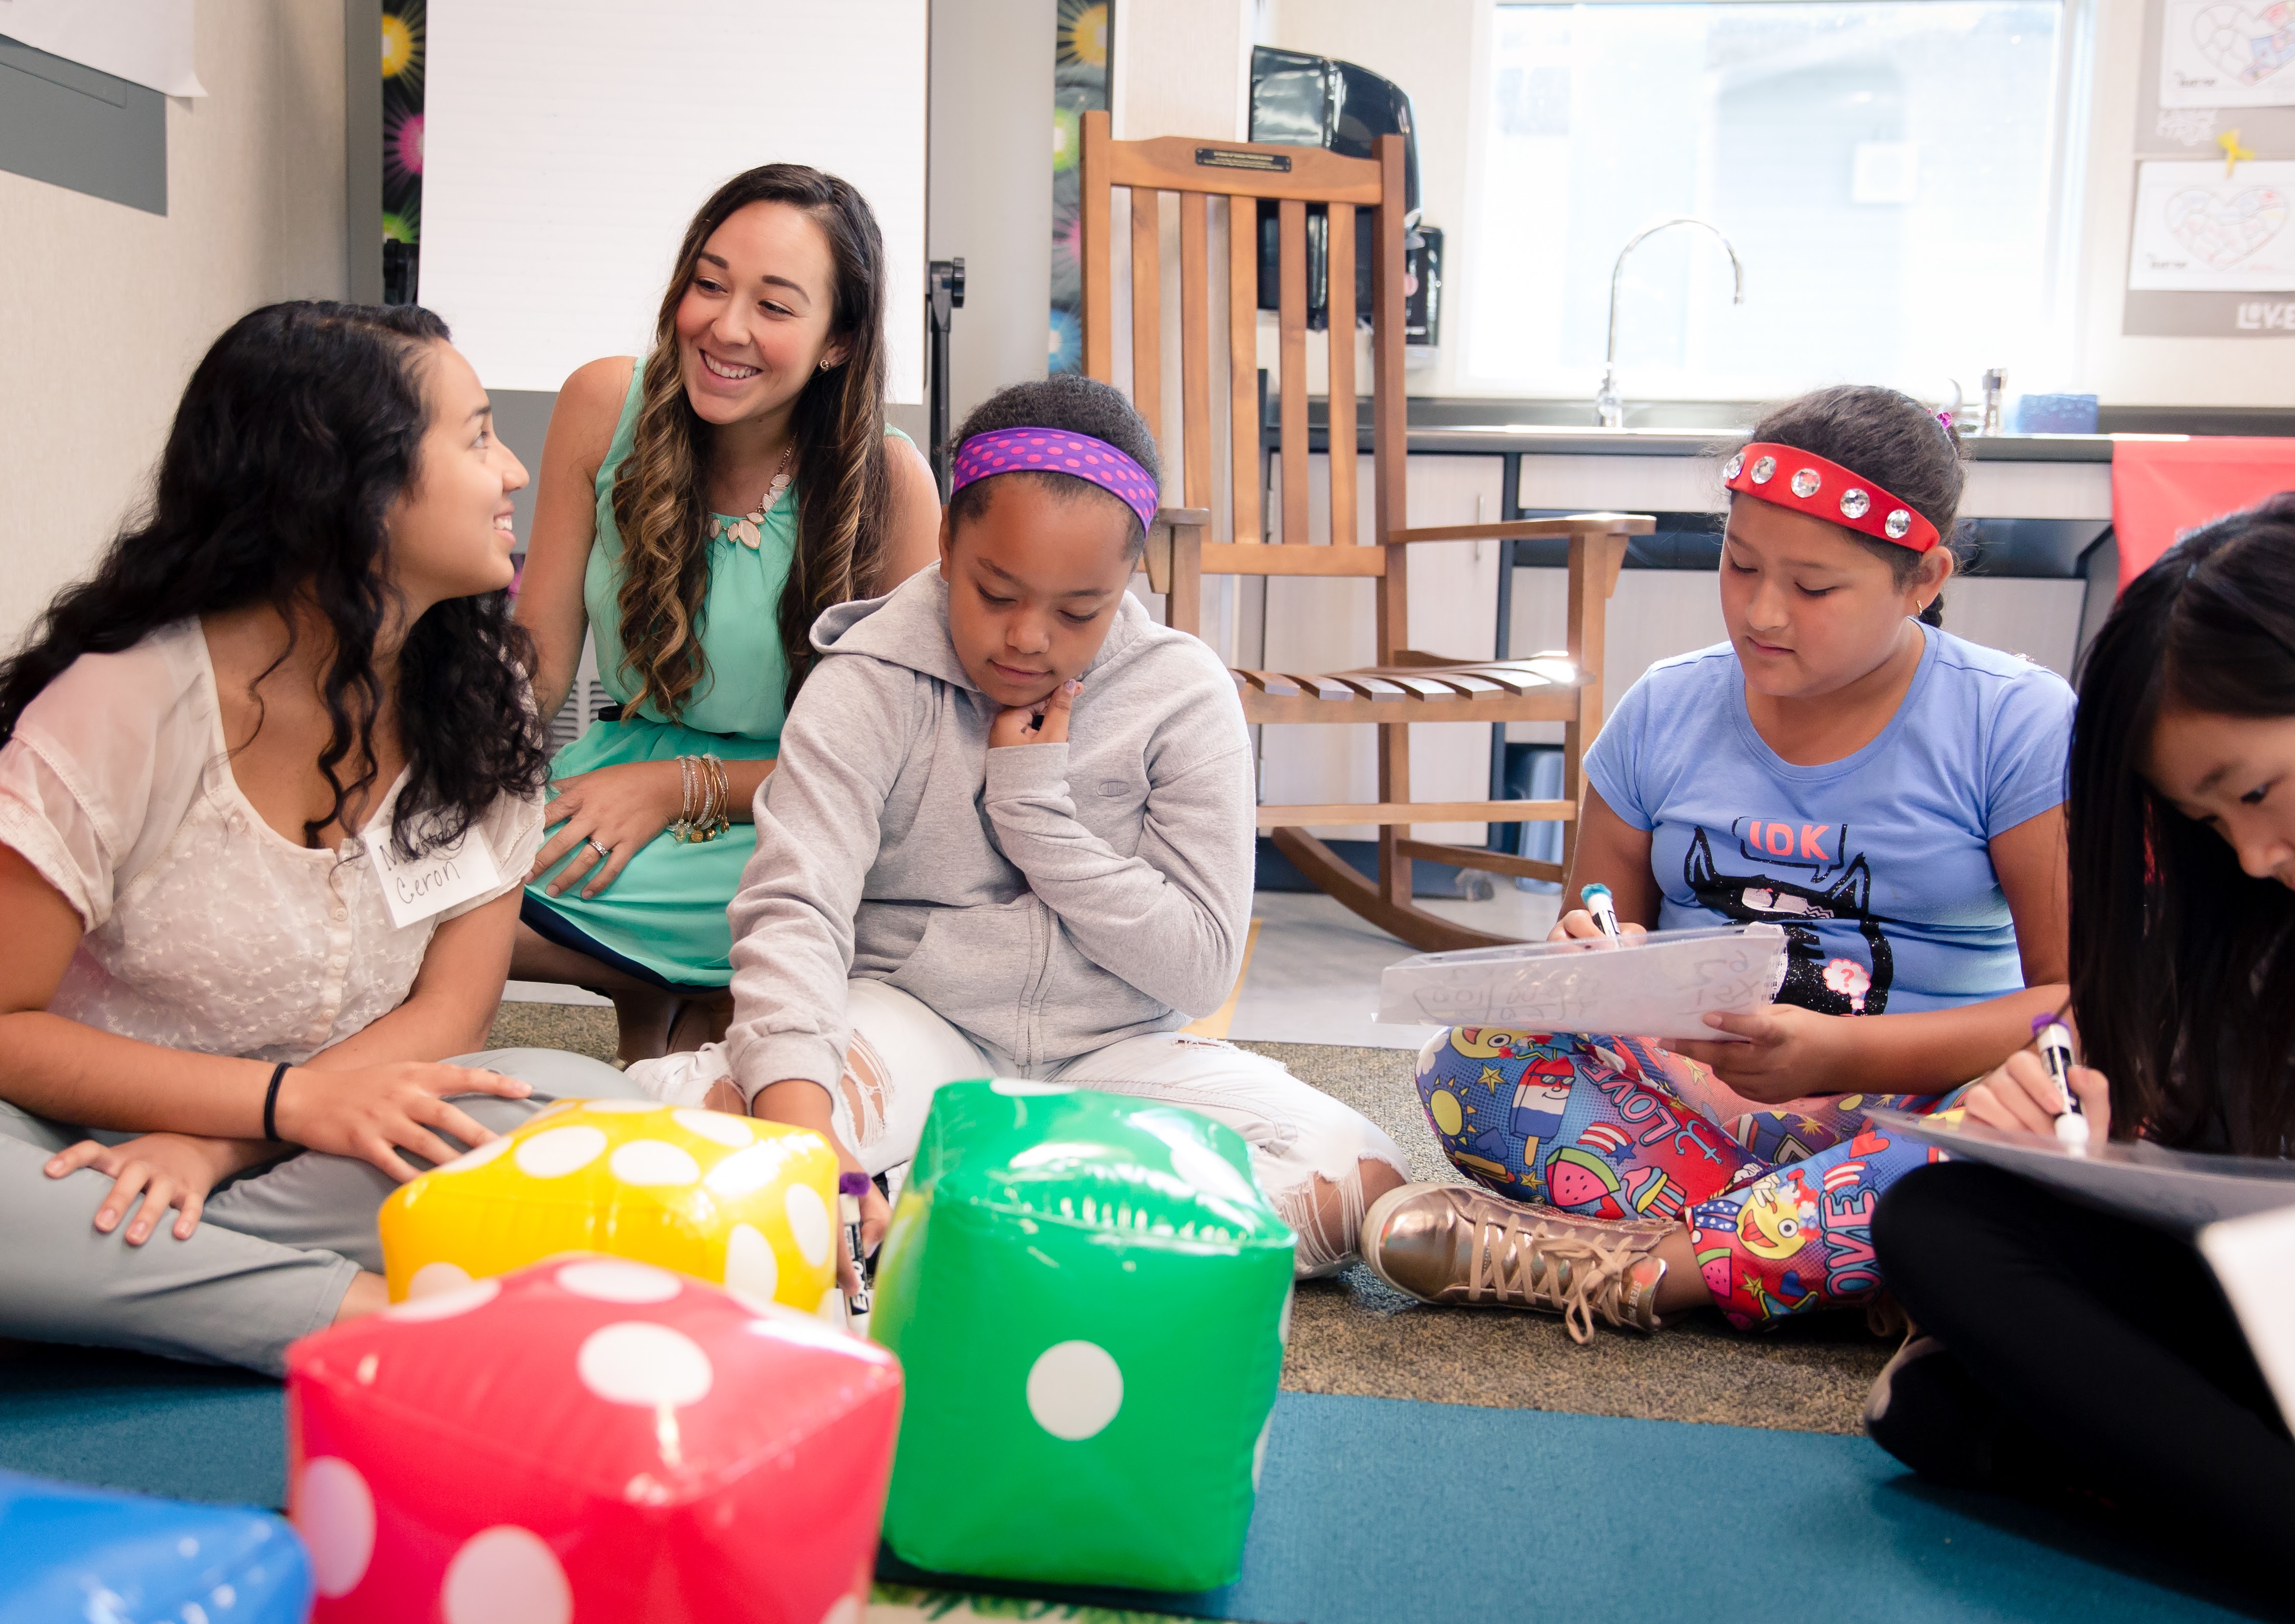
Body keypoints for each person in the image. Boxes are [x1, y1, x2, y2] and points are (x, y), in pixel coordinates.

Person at [629, 375, 1411, 1277]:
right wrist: (811, 1143)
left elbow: (1198, 965)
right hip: (916, 1026)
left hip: (1113, 1055)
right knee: (752, 1119)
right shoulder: (866, 682)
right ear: (947, 543)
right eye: (995, 592)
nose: (1028, 639)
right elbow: (794, 911)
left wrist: (1034, 809)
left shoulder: (1183, 694)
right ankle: (1016, 1229)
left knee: (1356, 1177)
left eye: (1079, 610)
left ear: (1129, 581)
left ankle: (965, 1229)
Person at [0, 302, 648, 1374]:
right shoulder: (123, 705)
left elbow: (451, 1012)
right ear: (355, 488)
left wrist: (226, 1140)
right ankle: (365, 1314)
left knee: (603, 1115)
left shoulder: (485, 703)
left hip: (313, 1144)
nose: (515, 475)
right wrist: (275, 1095)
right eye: (478, 436)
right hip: (70, 1141)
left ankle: (139, 1279)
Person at [1361, 385, 2073, 1339]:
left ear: (1924, 579)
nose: (1763, 611)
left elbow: (2072, 1005)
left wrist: (1843, 1052)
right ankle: (1848, 1254)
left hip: (1912, 1100)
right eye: (1738, 566)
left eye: (1814, 587)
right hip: (1698, 1102)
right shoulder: (1664, 709)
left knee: (2024, 1134)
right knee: (1472, 1064)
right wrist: (1591, 958)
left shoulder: (2015, 724)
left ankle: (1644, 1269)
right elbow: (1592, 931)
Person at [1869, 494, 2295, 1622]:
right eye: (2210, 822)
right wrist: (2069, 1117)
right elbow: (2165, 1124)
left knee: (1949, 1411)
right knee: (1943, 1223)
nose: (2256, 854)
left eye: (2258, 791)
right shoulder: (2267, 922)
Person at [512, 163, 941, 1064]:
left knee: (806, 915)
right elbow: (539, 658)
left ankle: (671, 1001)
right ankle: (662, 990)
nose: (727, 326)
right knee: (434, 885)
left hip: (787, 808)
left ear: (837, 341)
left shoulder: (891, 485)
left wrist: (677, 789)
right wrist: (445, 769)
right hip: (612, 772)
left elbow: (896, 759)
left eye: (776, 306)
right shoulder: (601, 405)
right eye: (709, 285)